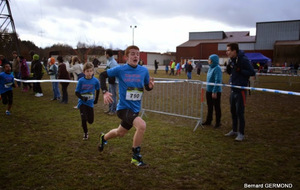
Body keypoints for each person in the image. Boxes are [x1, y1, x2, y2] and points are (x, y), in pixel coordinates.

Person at [98, 45, 154, 167]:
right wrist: (104, 91)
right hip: (123, 108)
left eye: (137, 54)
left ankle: (104, 138)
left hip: (135, 109)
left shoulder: (143, 71)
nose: (136, 56)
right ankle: (135, 157)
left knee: (120, 132)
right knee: (141, 125)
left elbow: (146, 87)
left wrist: (150, 86)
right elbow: (102, 75)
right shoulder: (120, 69)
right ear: (126, 57)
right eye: (133, 54)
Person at [225, 43, 255, 141]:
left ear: (234, 51)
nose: (227, 52)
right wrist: (228, 69)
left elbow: (251, 72)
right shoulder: (232, 60)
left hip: (241, 90)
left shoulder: (243, 59)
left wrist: (240, 70)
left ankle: (241, 133)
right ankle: (234, 130)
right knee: (233, 111)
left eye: (228, 50)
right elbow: (232, 73)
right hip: (233, 89)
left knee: (239, 112)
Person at [75, 62, 100, 140]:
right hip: (82, 103)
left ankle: (86, 122)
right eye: (87, 71)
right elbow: (76, 92)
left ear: (93, 71)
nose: (89, 73)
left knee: (90, 121)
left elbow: (98, 89)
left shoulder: (95, 81)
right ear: (84, 72)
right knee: (83, 119)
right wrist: (82, 98)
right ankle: (85, 133)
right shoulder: (81, 81)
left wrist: (96, 99)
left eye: (90, 71)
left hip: (90, 103)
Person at [202, 54, 222, 128]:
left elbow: (218, 80)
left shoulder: (217, 68)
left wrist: (214, 91)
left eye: (209, 59)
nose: (208, 60)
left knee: (216, 107)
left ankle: (218, 122)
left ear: (213, 60)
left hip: (215, 91)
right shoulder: (210, 68)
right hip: (209, 90)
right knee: (209, 106)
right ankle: (208, 120)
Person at [104, 49, 119, 115]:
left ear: (107, 54)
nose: (105, 55)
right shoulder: (109, 61)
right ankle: (110, 109)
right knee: (110, 95)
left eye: (105, 54)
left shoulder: (113, 62)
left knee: (113, 96)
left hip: (113, 81)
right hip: (110, 80)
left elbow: (115, 72)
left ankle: (113, 110)